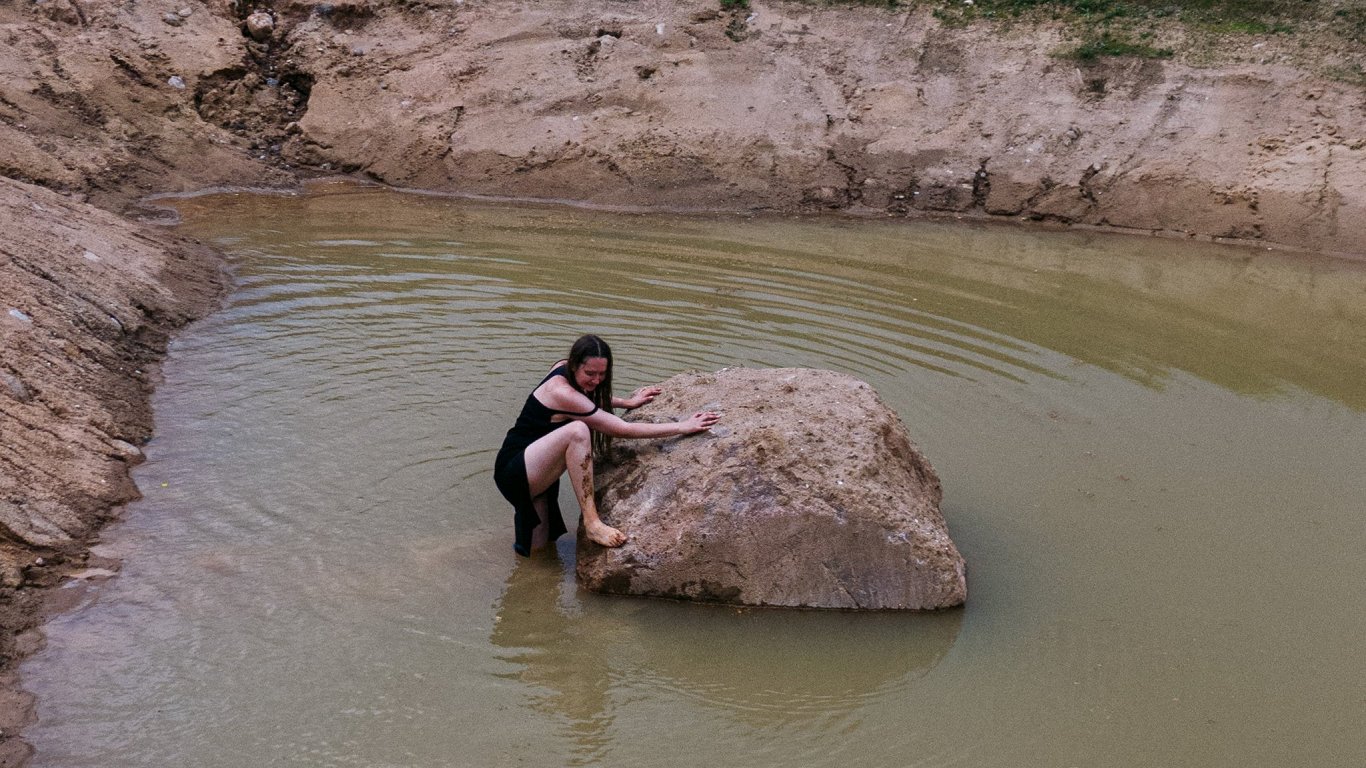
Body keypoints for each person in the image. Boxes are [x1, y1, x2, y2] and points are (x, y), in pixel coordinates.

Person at [494, 334, 720, 556]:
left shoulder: (564, 370)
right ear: (573, 365)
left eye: (602, 374)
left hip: (536, 464)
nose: (596, 380)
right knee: (578, 431)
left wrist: (626, 402)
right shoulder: (561, 391)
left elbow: (585, 398)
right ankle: (593, 523)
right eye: (590, 373)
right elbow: (622, 429)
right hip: (516, 469)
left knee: (537, 557)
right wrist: (682, 427)